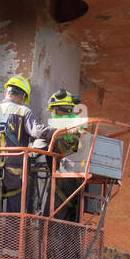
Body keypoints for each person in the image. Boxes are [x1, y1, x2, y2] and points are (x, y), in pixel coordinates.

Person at [0, 76, 51, 255]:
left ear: (5, 92)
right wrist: (59, 131)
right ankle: (10, 256)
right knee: (14, 219)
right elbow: (37, 131)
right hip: (16, 174)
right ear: (23, 96)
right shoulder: (24, 112)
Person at [46, 89, 89, 222]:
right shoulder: (81, 129)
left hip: (62, 185)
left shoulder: (56, 132)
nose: (52, 113)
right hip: (78, 186)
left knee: (52, 224)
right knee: (73, 226)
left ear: (62, 110)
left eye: (54, 110)